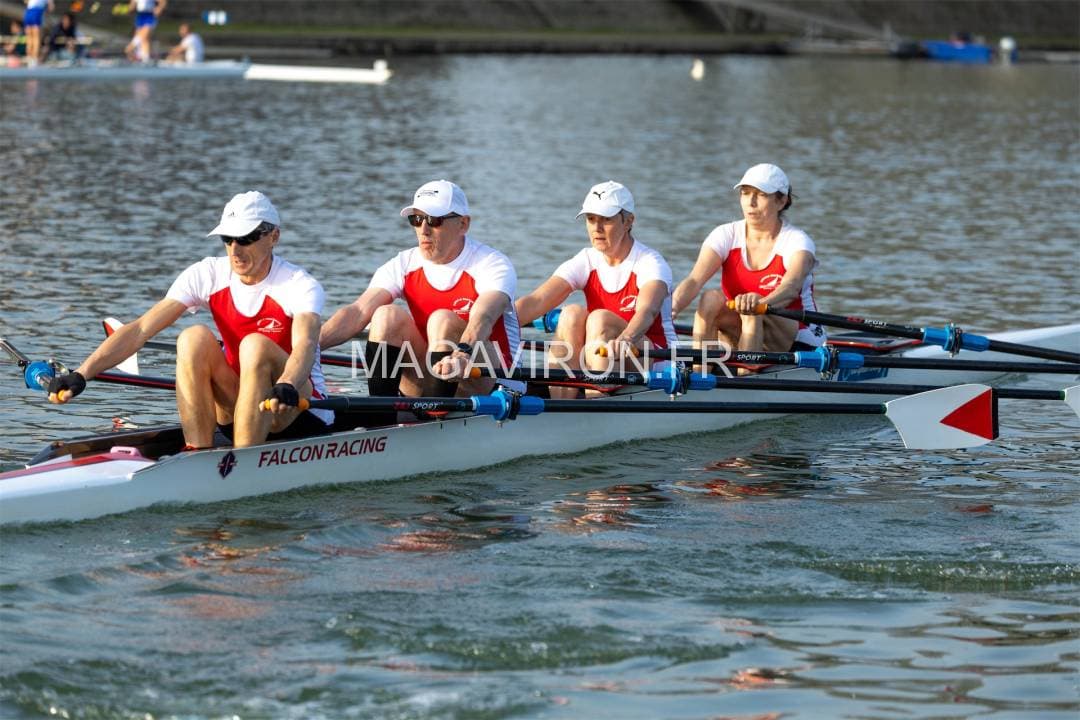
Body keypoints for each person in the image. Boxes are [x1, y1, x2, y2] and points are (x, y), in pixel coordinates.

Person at [47, 191, 334, 450]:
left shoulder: (298, 285)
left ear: (274, 237)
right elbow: (140, 330)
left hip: (296, 407)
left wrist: (287, 383)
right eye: (227, 239)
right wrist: (81, 373)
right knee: (192, 338)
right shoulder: (208, 274)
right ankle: (198, 450)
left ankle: (243, 462)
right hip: (238, 406)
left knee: (254, 346)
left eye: (246, 238)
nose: (235, 250)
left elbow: (306, 346)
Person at [319, 180, 521, 421]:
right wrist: (305, 349)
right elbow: (358, 311)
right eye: (416, 219)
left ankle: (434, 415)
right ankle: (381, 416)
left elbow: (484, 317)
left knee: (442, 320)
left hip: (489, 379)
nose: (424, 230)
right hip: (432, 373)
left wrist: (462, 353)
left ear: (463, 224)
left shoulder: (491, 264)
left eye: (434, 220)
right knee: (385, 315)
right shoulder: (403, 264)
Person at [515, 181, 677, 395]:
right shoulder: (586, 260)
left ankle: (595, 402)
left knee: (599, 319)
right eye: (591, 219)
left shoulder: (650, 263)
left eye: (606, 219)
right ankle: (563, 402)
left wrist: (626, 338)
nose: (597, 228)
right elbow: (537, 301)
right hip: (603, 355)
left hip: (654, 359)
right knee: (571, 314)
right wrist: (484, 327)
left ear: (628, 221)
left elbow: (648, 311)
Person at [671, 163, 825, 353]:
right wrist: (672, 307)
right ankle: (700, 369)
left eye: (761, 195)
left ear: (781, 201)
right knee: (710, 299)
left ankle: (746, 369)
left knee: (752, 307)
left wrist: (759, 304)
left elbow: (791, 287)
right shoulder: (725, 234)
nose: (751, 202)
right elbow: (694, 280)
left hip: (799, 337)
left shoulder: (798, 242)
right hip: (747, 328)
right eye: (745, 193)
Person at [22, 0, 53, 66]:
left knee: (31, 38)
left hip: (30, 11)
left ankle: (31, 59)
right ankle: (33, 59)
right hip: (35, 11)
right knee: (35, 37)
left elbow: (26, 2)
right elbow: (51, 7)